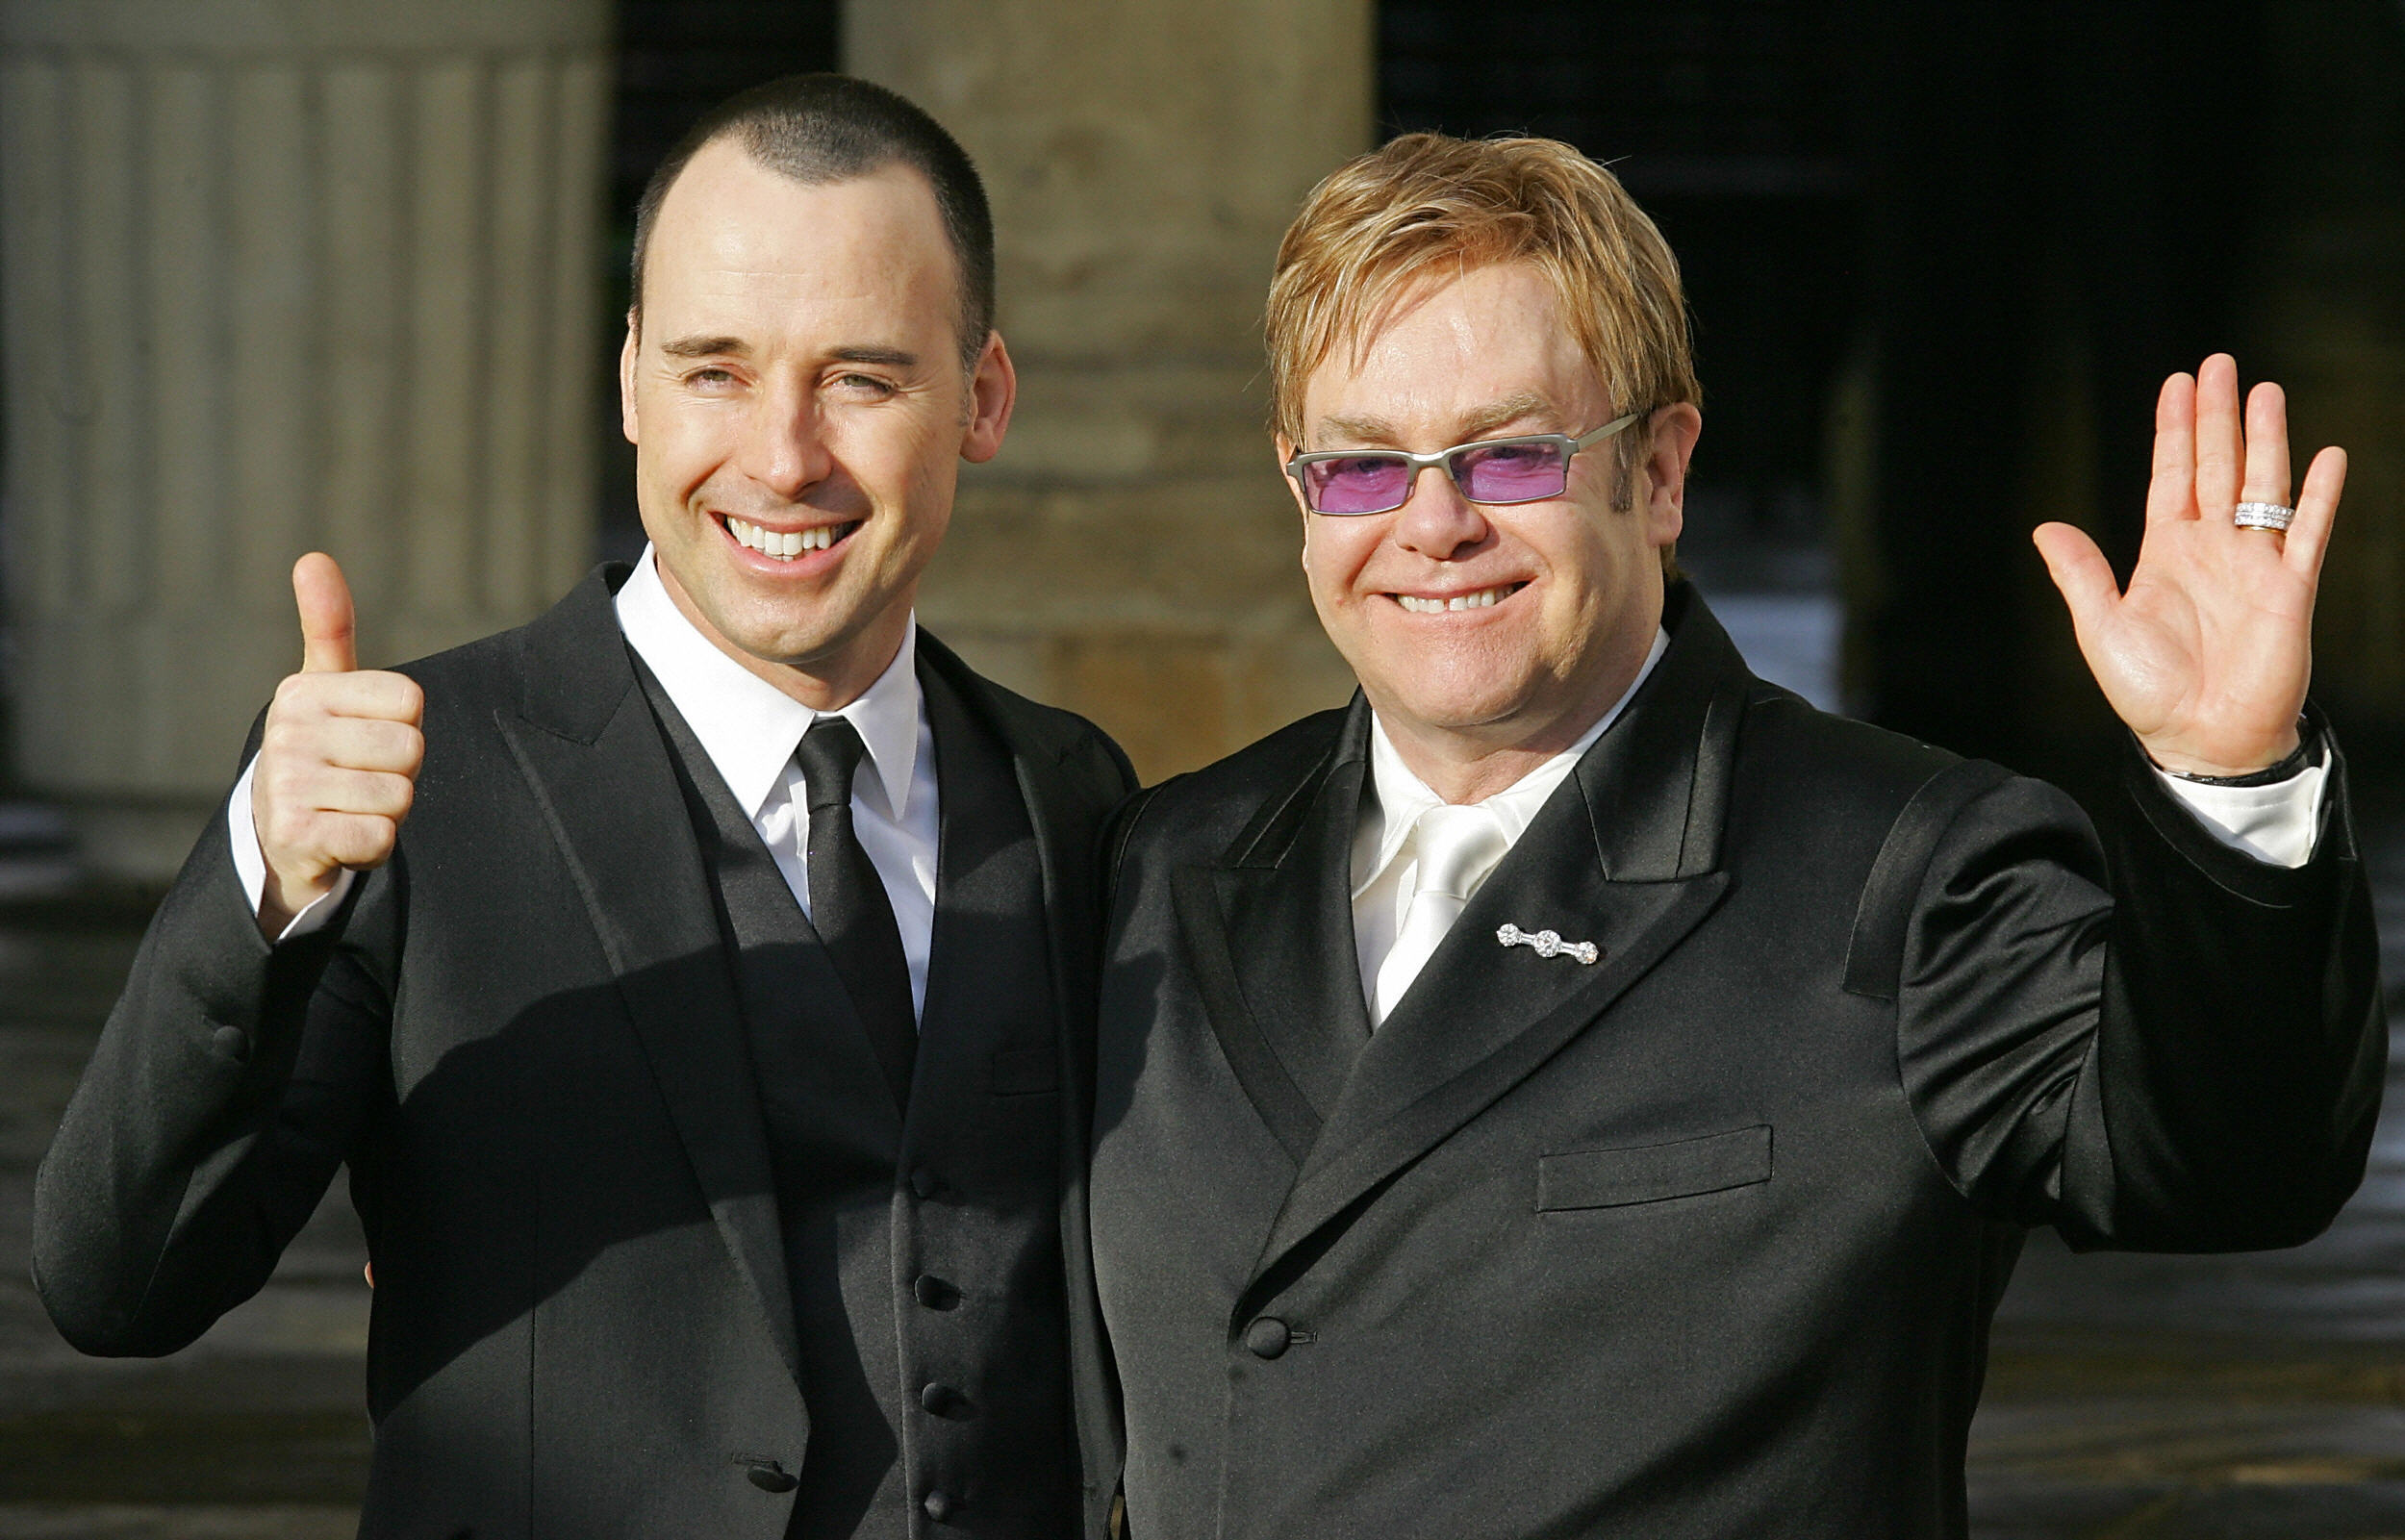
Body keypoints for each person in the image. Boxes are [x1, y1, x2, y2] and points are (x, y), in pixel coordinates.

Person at [1088, 133, 2383, 1538]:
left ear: (1658, 470)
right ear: (1298, 496)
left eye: (1512, 455)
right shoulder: (1165, 864)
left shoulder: (1908, 867)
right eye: (1359, 469)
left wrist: (2227, 775)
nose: (1433, 523)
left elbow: (2230, 1163)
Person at [36, 74, 1133, 1540]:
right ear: (627, 381)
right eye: (714, 371)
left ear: (982, 396)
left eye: (861, 376)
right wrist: (261, 883)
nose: (783, 454)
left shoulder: (1071, 796)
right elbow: (118, 1282)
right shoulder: (408, 790)